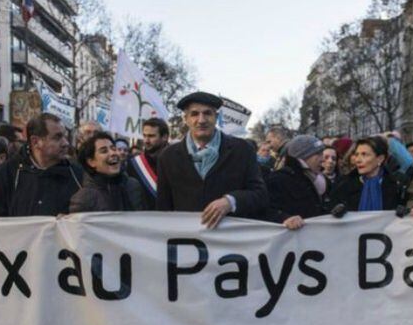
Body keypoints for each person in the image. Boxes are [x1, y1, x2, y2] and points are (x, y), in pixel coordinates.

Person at [156, 91, 268, 228]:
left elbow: (260, 195)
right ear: (186, 119)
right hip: (186, 240)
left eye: (207, 113)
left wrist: (231, 202)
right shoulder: (168, 156)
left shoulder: (242, 150)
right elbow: (163, 207)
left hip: (231, 241)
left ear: (217, 117)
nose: (201, 120)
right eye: (194, 114)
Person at [0, 113, 83, 217]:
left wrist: (71, 220)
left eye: (65, 137)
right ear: (35, 142)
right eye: (57, 137)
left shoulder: (76, 173)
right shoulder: (8, 173)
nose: (65, 143)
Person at [69, 132, 146, 213]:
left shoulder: (133, 186)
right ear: (91, 162)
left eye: (113, 148)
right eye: (104, 151)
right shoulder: (83, 199)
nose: (113, 153)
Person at [266, 135, 327, 229]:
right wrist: (285, 219)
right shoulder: (279, 179)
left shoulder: (317, 180)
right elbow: (266, 211)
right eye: (318, 154)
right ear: (304, 155)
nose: (323, 159)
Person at [328, 136, 403, 212]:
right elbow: (330, 212)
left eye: (364, 154)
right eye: (356, 154)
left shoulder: (395, 185)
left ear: (380, 158)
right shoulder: (342, 184)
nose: (358, 160)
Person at [126, 118, 170, 210]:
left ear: (164, 137)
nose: (146, 140)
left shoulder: (177, 160)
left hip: (172, 219)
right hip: (143, 219)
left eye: (151, 136)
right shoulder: (134, 164)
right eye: (144, 136)